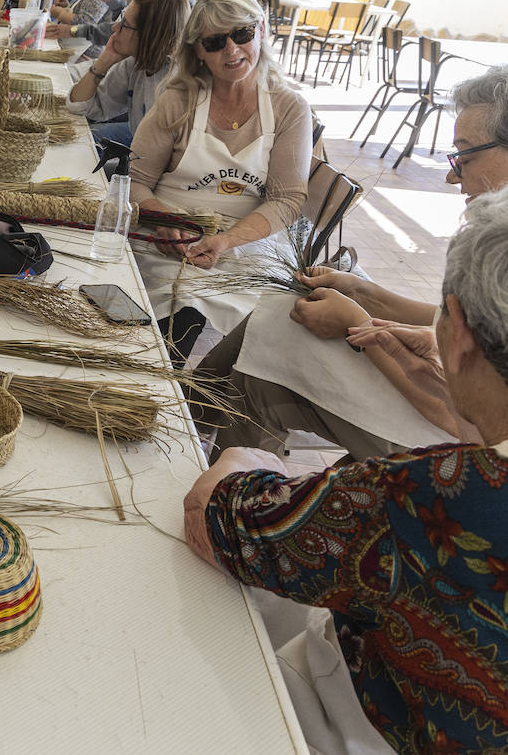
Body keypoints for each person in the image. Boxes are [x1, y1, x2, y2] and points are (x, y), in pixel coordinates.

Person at [184, 187, 508, 754]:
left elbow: (215, 519)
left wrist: (241, 466)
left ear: (457, 333)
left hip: (371, 725)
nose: (456, 174)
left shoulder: (429, 496)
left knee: (207, 624)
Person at [191, 67, 508, 461]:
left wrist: (356, 323)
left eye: (463, 155)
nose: (449, 175)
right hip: (449, 399)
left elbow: (461, 410)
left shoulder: (495, 244)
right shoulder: (495, 234)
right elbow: (450, 319)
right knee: (271, 334)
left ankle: (191, 426)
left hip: (459, 439)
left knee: (268, 350)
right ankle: (194, 426)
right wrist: (362, 291)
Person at [129, 0, 312, 366]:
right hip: (172, 235)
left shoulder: (288, 106)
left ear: (260, 30)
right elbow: (135, 178)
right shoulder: (178, 101)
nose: (231, 50)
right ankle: (155, 383)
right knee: (180, 303)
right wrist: (165, 219)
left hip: (248, 238)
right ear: (197, 51)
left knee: (274, 320)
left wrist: (227, 240)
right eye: (214, 42)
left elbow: (288, 199)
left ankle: (208, 401)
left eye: (241, 34)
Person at [65, 0, 190, 146]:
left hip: (152, 163)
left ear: (148, 35)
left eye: (125, 24)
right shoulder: (134, 64)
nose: (115, 28)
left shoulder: (175, 85)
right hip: (142, 155)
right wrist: (104, 62)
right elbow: (79, 106)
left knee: (83, 143)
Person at [45, 0, 182, 63]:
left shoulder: (171, 24)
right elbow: (120, 24)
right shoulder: (165, 11)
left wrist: (65, 20)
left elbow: (112, 28)